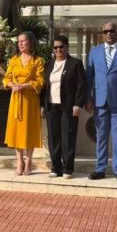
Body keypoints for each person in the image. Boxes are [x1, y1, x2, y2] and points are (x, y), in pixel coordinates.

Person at [85, 22, 117, 182]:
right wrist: (88, 98)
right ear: (102, 33)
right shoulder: (94, 52)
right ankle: (100, 169)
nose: (108, 33)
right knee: (101, 136)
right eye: (105, 31)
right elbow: (89, 77)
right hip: (99, 101)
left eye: (112, 30)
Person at [43, 35, 85, 179]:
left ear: (67, 47)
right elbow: (44, 86)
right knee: (53, 138)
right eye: (55, 47)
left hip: (68, 106)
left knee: (68, 137)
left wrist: (78, 104)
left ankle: (68, 168)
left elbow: (81, 85)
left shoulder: (75, 63)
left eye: (61, 47)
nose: (58, 50)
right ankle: (56, 167)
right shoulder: (49, 64)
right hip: (51, 105)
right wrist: (42, 105)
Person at [3, 30, 45, 175]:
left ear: (30, 42)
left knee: (29, 130)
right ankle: (19, 161)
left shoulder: (38, 61)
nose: (20, 44)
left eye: (23, 41)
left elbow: (40, 81)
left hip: (30, 100)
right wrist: (12, 85)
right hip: (16, 99)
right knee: (16, 130)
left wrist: (26, 85)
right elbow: (6, 78)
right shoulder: (14, 60)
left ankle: (29, 161)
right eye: (19, 41)